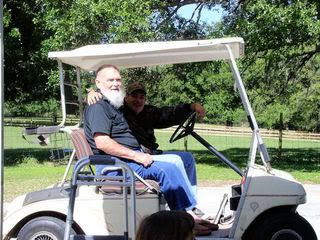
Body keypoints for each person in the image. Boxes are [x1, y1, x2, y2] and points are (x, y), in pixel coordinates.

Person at [83, 64, 218, 233]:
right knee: (168, 167)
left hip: (127, 160)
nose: (115, 83)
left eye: (118, 79)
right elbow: (102, 142)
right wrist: (137, 156)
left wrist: (190, 106)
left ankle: (188, 214)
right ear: (98, 82)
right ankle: (183, 223)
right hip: (116, 165)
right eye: (110, 80)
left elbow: (168, 114)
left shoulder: (113, 104)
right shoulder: (99, 106)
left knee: (182, 159)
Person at [87, 82, 204, 205]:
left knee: (187, 158)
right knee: (174, 162)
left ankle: (192, 201)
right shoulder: (119, 111)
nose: (138, 100)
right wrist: (92, 92)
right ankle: (186, 208)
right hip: (133, 157)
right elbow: (104, 100)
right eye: (134, 96)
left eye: (141, 97)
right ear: (126, 97)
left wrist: (191, 107)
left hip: (150, 153)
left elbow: (170, 114)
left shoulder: (149, 112)